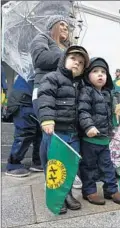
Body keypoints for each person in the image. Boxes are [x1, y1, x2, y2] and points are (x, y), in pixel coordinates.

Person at [30, 15, 82, 188]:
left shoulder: (68, 47)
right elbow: (40, 59)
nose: (65, 28)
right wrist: (67, 58)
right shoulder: (42, 38)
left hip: (65, 93)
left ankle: (68, 170)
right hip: (44, 90)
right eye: (61, 24)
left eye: (67, 26)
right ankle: (50, 174)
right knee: (49, 133)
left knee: (67, 132)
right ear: (52, 26)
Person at [37, 45, 89, 214]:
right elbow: (45, 98)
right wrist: (46, 119)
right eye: (73, 59)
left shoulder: (81, 85)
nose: (77, 63)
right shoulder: (52, 77)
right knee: (54, 165)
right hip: (55, 132)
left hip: (73, 133)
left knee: (69, 166)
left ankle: (67, 194)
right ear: (64, 59)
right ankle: (55, 197)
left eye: (81, 62)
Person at [78, 58, 120, 206]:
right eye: (95, 71)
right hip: (89, 140)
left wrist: (113, 130)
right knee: (89, 167)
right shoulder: (86, 91)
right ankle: (89, 191)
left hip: (104, 139)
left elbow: (110, 116)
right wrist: (88, 126)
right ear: (88, 75)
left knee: (108, 166)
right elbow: (83, 111)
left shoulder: (107, 94)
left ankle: (111, 190)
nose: (100, 75)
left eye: (103, 72)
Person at [5, 75, 43, 177]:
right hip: (24, 100)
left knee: (40, 133)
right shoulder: (29, 67)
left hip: (33, 100)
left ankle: (38, 161)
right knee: (25, 133)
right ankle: (13, 164)